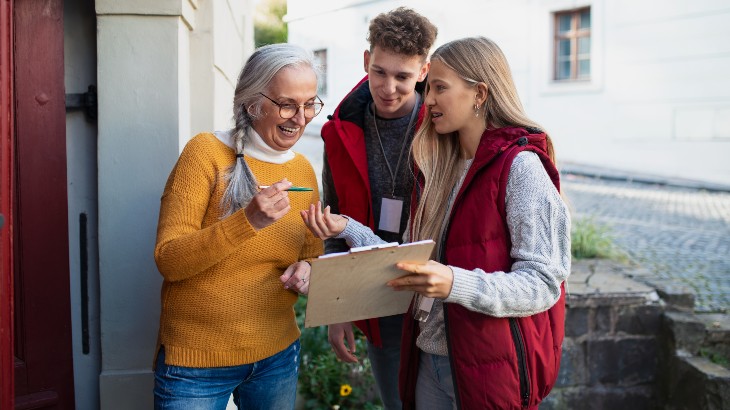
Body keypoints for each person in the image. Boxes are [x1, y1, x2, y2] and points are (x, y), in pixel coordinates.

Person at [303, 36, 571, 409]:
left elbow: (544, 283)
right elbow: (406, 259)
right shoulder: (438, 166)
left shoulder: (522, 168)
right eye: (429, 89)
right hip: (429, 361)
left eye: (439, 88)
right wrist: (347, 227)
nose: (426, 100)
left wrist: (452, 282)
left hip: (488, 369)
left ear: (479, 94)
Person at [152, 43, 324, 410]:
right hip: (196, 363)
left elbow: (311, 252)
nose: (301, 116)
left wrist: (307, 269)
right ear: (252, 104)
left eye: (310, 103)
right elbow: (169, 260)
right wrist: (247, 222)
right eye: (287, 104)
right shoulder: (205, 154)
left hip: (277, 354)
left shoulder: (303, 171)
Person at [319, 7, 437, 409]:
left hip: (441, 293)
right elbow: (332, 224)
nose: (389, 87)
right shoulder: (339, 132)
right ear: (366, 62)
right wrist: (339, 308)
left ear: (423, 71)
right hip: (378, 293)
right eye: (380, 72)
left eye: (403, 76)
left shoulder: (444, 127)